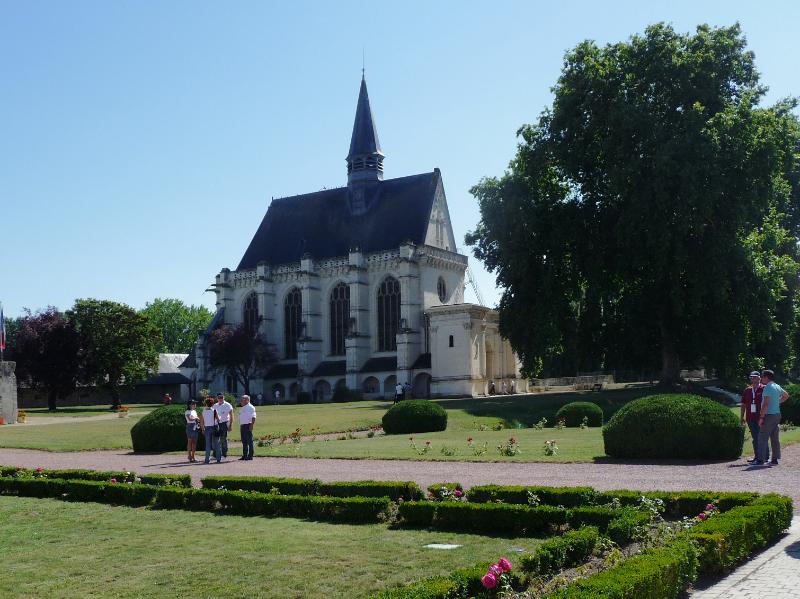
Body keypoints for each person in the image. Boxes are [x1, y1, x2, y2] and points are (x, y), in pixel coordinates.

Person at [756, 369, 789, 466]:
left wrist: (761, 417)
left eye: (762, 376)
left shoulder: (767, 387)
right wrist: (777, 402)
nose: (761, 378)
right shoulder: (777, 386)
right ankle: (775, 459)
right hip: (777, 414)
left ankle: (760, 460)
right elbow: (786, 396)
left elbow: (765, 404)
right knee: (775, 438)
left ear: (766, 377)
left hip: (769, 415)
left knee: (762, 437)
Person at [740, 371, 767, 463]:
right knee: (755, 438)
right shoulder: (747, 390)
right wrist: (741, 417)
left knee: (761, 437)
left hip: (761, 417)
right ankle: (757, 456)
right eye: (751, 377)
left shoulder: (764, 389)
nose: (753, 379)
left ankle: (764, 457)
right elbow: (743, 404)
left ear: (759, 378)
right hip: (750, 418)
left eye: (755, 377)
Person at [200, 397, 221, 464]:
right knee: (217, 444)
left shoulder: (203, 411)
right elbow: (218, 420)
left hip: (207, 428)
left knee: (208, 444)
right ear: (212, 404)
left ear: (206, 403)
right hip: (214, 427)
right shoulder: (214, 410)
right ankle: (218, 459)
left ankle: (207, 459)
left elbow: (202, 422)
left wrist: (202, 429)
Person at [213, 392, 234, 459]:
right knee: (215, 439)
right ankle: (215, 454)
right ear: (217, 398)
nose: (220, 399)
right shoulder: (215, 405)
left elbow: (231, 416)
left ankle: (224, 454)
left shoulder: (228, 405)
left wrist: (230, 425)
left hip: (224, 423)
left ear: (223, 397)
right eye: (219, 397)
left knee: (223, 439)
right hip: (216, 424)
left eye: (221, 397)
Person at [238, 394, 257, 461]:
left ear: (247, 400)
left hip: (248, 425)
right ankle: (245, 455)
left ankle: (250, 456)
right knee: (244, 442)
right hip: (243, 426)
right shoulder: (243, 407)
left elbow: (253, 417)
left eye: (242, 399)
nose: (241, 400)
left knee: (249, 441)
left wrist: (251, 425)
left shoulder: (250, 407)